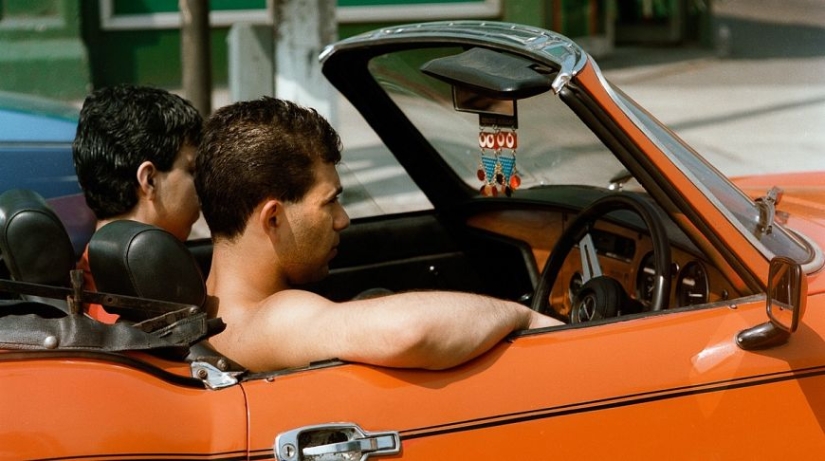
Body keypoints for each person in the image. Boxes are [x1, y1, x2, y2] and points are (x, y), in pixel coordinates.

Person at [195, 97, 562, 372]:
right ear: (274, 219)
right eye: (330, 202)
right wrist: (523, 317)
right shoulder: (271, 318)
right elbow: (409, 332)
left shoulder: (205, 303)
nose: (343, 220)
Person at [72, 84, 203, 323]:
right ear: (149, 180)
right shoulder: (137, 306)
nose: (202, 184)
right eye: (191, 170)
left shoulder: (91, 275)